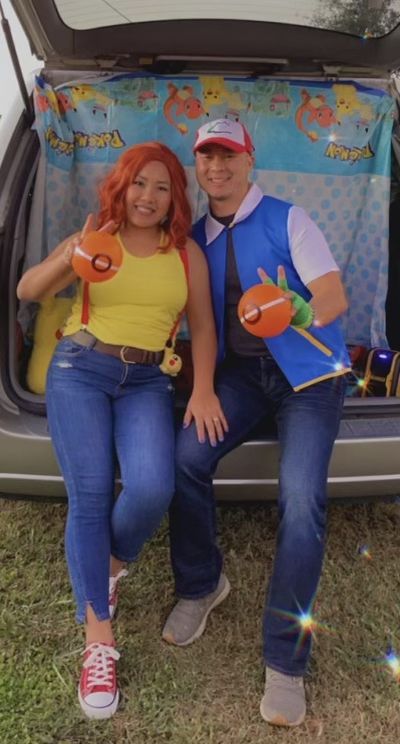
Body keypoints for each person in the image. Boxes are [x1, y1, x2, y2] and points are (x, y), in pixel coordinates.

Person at [16, 142, 227, 720]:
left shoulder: (186, 253)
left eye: (162, 187)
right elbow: (27, 291)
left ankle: (106, 569)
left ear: (174, 198)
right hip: (80, 370)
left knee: (153, 487)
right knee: (88, 495)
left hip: (147, 380)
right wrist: (73, 256)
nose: (148, 197)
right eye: (139, 184)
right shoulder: (95, 238)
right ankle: (98, 641)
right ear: (121, 186)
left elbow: (204, 329)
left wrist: (203, 387)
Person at [162, 119, 350, 727]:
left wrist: (297, 309)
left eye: (229, 155)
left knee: (301, 501)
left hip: (310, 377)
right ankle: (200, 585)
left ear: (249, 162)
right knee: (185, 460)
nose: (217, 167)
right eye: (207, 156)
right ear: (198, 166)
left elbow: (332, 298)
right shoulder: (193, 239)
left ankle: (286, 661)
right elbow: (202, 325)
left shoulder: (290, 219)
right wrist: (206, 388)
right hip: (242, 378)